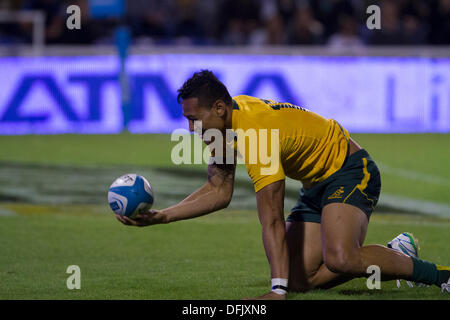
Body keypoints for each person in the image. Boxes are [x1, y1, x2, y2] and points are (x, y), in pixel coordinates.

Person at [116, 70, 450, 299]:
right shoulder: (223, 124)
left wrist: (276, 291)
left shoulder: (255, 134)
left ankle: (441, 275)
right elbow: (219, 190)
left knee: (340, 259)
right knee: (300, 280)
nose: (190, 130)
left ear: (218, 108)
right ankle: (394, 253)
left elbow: (272, 219)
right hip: (316, 185)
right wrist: (164, 216)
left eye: (194, 119)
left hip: (350, 171)